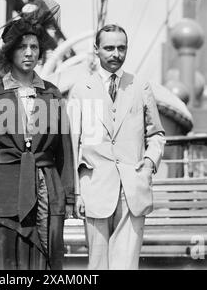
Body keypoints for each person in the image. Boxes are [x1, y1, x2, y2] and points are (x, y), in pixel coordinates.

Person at [0, 1, 74, 270]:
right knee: (7, 265)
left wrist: (69, 197)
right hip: (3, 194)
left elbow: (64, 152)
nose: (29, 53)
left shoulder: (52, 94)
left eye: (34, 47)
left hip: (46, 193)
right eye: (22, 47)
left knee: (44, 264)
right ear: (10, 51)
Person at [68, 24, 165, 270]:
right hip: (95, 191)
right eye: (109, 48)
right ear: (96, 50)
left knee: (126, 266)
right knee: (97, 266)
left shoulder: (140, 86)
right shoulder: (81, 90)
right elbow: (72, 143)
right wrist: (77, 193)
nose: (116, 54)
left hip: (132, 190)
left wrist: (150, 161)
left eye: (121, 48)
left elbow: (156, 134)